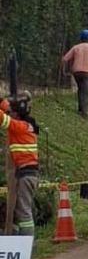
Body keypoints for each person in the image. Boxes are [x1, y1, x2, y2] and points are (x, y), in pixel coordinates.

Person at [0, 95, 39, 236]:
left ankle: (27, 244)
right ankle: (16, 242)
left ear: (17, 114)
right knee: (17, 211)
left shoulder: (19, 127)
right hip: (27, 174)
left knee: (24, 212)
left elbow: (2, 119)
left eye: (11, 112)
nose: (9, 113)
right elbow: (6, 109)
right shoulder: (27, 125)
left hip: (25, 175)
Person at [61, 29, 88, 118]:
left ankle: (80, 108)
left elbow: (65, 59)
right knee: (86, 91)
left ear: (81, 38)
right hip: (87, 72)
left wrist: (64, 69)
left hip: (76, 72)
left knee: (80, 89)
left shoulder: (76, 47)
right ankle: (85, 112)